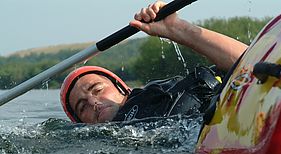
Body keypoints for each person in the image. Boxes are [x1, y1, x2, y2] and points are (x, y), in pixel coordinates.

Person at [60, 1, 248, 124]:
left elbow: (248, 60)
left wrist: (177, 29)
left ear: (122, 88)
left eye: (98, 89)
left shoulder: (164, 89)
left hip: (235, 108)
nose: (93, 101)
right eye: (82, 107)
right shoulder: (109, 145)